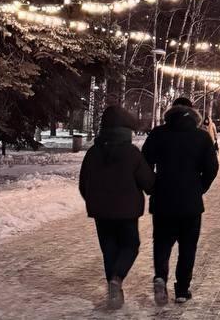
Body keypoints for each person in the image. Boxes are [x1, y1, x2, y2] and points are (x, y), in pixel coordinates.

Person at [142, 97, 219, 305]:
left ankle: (160, 277)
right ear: (193, 112)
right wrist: (199, 187)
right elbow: (212, 167)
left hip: (163, 200)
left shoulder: (158, 134)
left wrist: (153, 186)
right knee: (187, 247)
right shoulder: (201, 136)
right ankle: (182, 290)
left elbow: (144, 163)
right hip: (190, 202)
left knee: (162, 243)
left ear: (171, 112)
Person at [79, 106, 155, 310]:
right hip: (127, 212)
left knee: (109, 249)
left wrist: (95, 201)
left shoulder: (93, 153)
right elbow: (149, 183)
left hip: (100, 212)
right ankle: (117, 279)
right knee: (130, 245)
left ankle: (114, 290)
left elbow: (83, 184)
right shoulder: (132, 153)